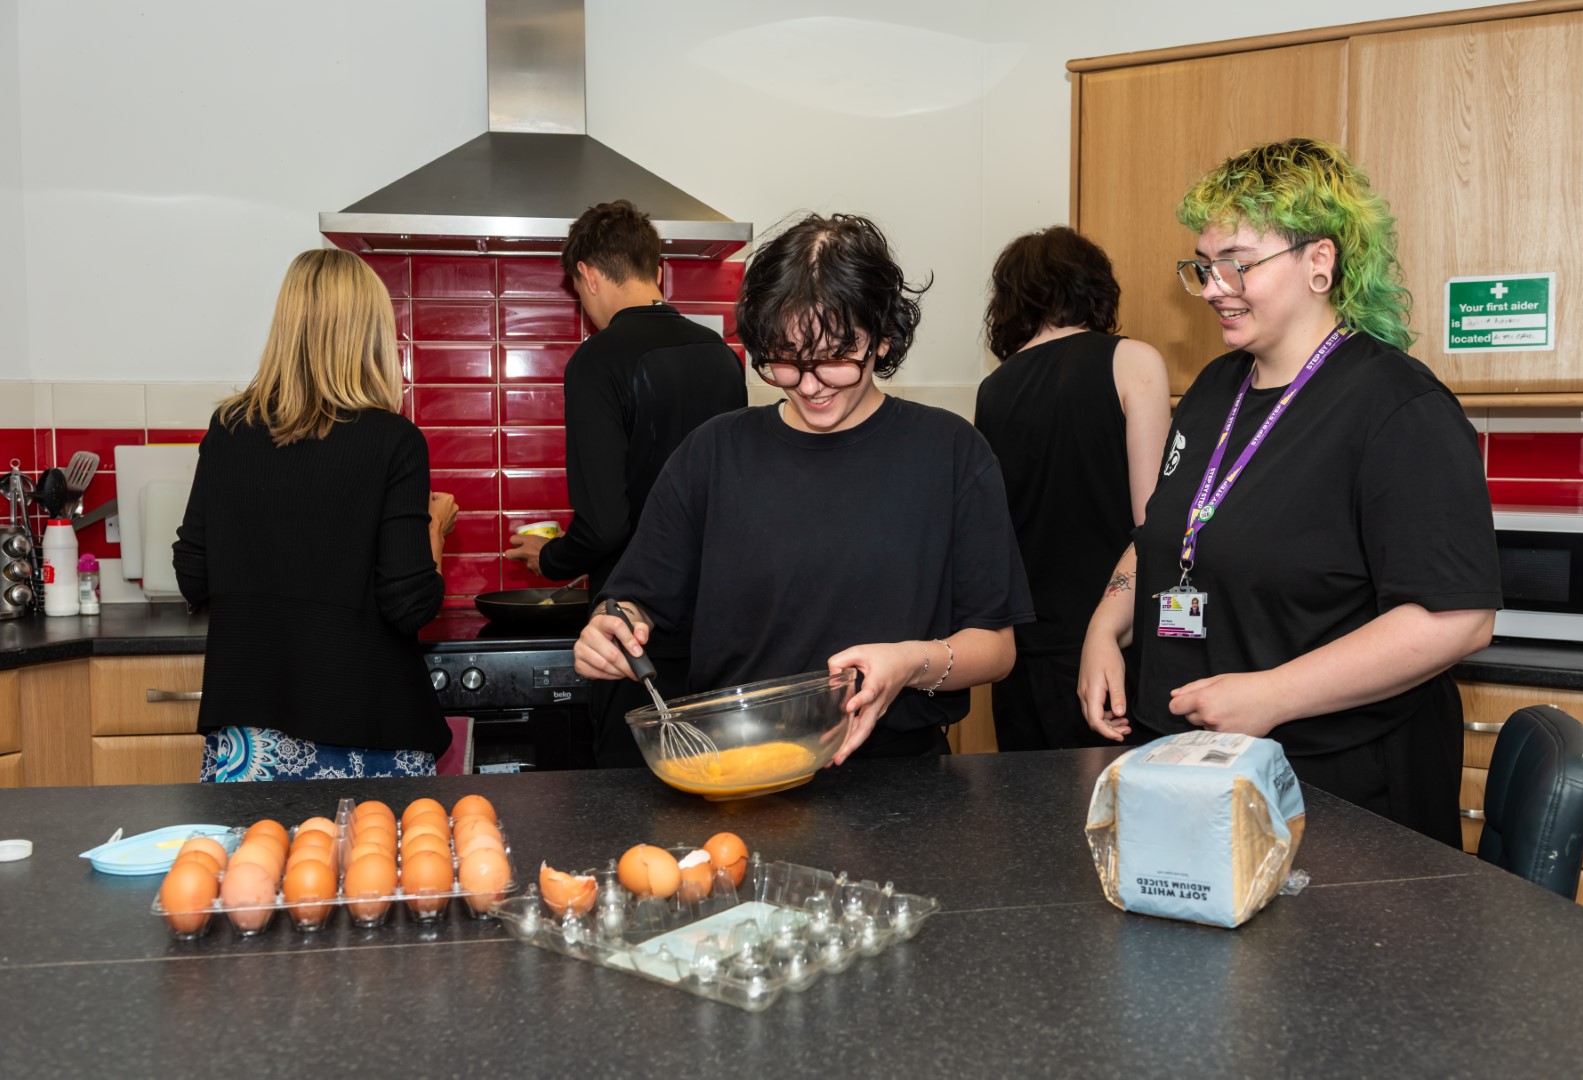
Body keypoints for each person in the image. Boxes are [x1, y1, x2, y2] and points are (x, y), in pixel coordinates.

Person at [1078, 137, 1499, 845]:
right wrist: (1104, 627)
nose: (1214, 286)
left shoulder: (1397, 407)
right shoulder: (1216, 386)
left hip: (1333, 787)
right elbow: (1167, 532)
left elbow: (1456, 619)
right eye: (1204, 266)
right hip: (1195, 766)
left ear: (1319, 263)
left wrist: (1274, 694)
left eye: (1237, 264)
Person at [573, 213, 1034, 761]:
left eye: (835, 358)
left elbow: (996, 647)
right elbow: (636, 601)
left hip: (904, 786)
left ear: (883, 338)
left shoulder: (951, 452)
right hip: (740, 772)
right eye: (786, 361)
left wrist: (911, 662)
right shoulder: (713, 452)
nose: (810, 384)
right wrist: (612, 625)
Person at [174, 248, 460, 781]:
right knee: (374, 868)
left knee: (252, 868)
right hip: (369, 734)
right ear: (371, 335)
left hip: (248, 740)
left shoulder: (227, 429)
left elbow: (194, 574)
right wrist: (433, 528)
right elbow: (410, 604)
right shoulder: (394, 441)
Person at [502, 199, 746, 767]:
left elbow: (606, 524)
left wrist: (553, 559)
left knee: (628, 794)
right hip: (718, 625)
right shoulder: (720, 356)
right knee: (716, 785)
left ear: (586, 274)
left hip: (633, 633)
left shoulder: (597, 362)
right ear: (655, 269)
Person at [974, 227, 1170, 751]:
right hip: (1108, 646)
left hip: (1019, 651)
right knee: (1115, 822)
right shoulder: (1132, 361)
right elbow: (1156, 523)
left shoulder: (994, 389)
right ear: (1094, 287)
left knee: (1032, 823)